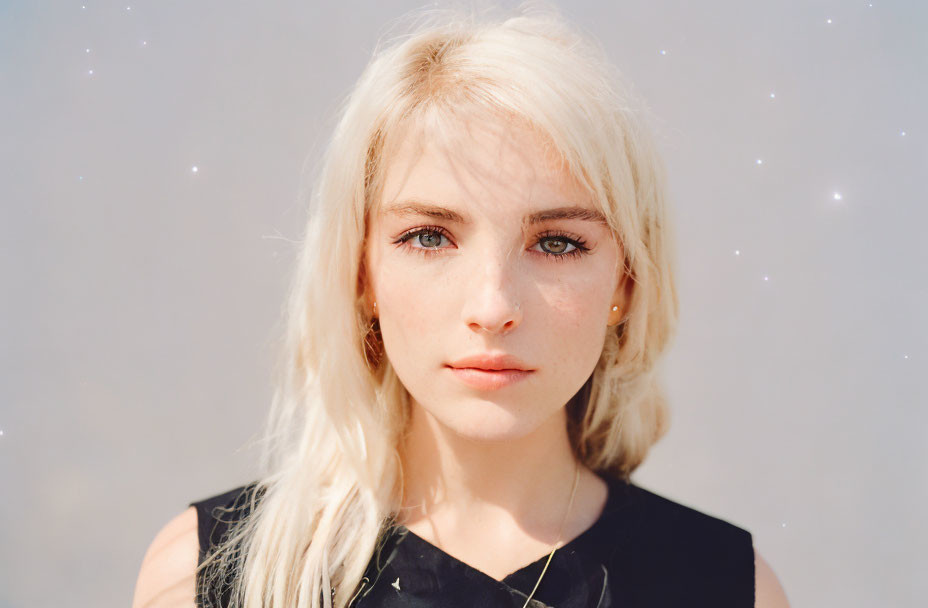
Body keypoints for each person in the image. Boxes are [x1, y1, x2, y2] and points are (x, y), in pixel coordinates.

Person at [131, 5, 790, 608]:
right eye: (429, 236)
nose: (493, 305)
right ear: (361, 271)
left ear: (624, 282)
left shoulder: (728, 586)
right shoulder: (206, 576)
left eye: (557, 242)